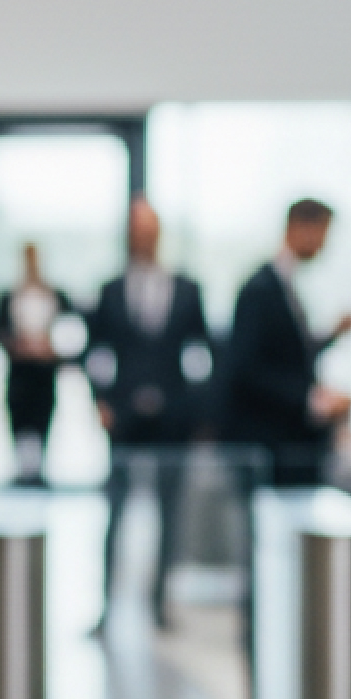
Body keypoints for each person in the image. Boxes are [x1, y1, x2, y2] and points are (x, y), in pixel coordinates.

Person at [84, 195, 210, 627]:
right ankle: (106, 608)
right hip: (124, 419)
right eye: (137, 229)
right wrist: (102, 402)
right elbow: (97, 352)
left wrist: (194, 410)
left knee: (170, 513)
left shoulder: (187, 290)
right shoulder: (111, 291)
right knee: (116, 511)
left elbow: (199, 355)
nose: (144, 237)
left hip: (172, 418)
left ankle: (159, 603)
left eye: (149, 229)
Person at [219, 197, 351, 488]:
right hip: (272, 443)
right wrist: (311, 401)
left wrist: (333, 334)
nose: (323, 245)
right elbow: (246, 368)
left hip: (288, 442)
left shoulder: (284, 286)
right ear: (299, 228)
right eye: (322, 233)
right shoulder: (260, 289)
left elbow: (291, 354)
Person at [0, 242, 73, 485]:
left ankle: (40, 475)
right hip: (19, 374)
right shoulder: (9, 296)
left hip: (44, 375)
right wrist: (17, 346)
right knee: (19, 427)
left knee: (42, 424)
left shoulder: (56, 295)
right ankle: (21, 475)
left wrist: (51, 349)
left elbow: (72, 331)